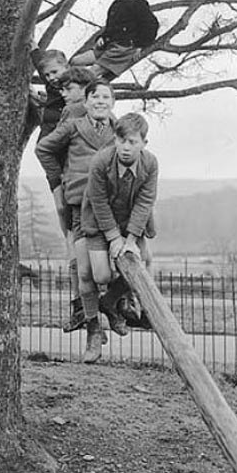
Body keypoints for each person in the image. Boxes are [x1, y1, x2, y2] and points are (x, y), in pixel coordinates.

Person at [35, 80, 116, 363]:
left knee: (115, 265)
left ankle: (115, 304)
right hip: (79, 203)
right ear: (87, 99)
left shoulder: (118, 130)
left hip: (110, 205)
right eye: (95, 96)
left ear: (112, 102)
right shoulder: (73, 124)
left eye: (106, 97)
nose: (100, 101)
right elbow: (43, 149)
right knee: (83, 273)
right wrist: (60, 181)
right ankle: (94, 329)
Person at [82, 112, 158, 346]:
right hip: (99, 221)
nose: (126, 147)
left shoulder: (150, 163)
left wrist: (131, 238)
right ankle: (112, 301)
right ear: (115, 140)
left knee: (143, 261)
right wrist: (114, 238)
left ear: (144, 143)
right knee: (102, 275)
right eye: (121, 140)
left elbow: (145, 201)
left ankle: (112, 301)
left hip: (131, 223)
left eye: (132, 142)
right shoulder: (101, 161)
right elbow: (99, 201)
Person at [34, 65, 96, 333]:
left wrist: (58, 181)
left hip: (69, 183)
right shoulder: (82, 111)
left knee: (73, 243)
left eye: (69, 89)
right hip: (74, 183)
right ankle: (86, 306)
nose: (64, 93)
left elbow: (52, 148)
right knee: (79, 246)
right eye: (63, 89)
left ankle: (81, 306)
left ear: (85, 90)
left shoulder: (74, 111)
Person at [71, 0, 159, 80]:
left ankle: (77, 92)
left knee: (92, 72)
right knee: (75, 61)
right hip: (108, 45)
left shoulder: (138, 3)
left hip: (124, 48)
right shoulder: (114, 5)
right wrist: (102, 38)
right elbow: (109, 29)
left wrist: (141, 45)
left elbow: (151, 25)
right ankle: (66, 87)